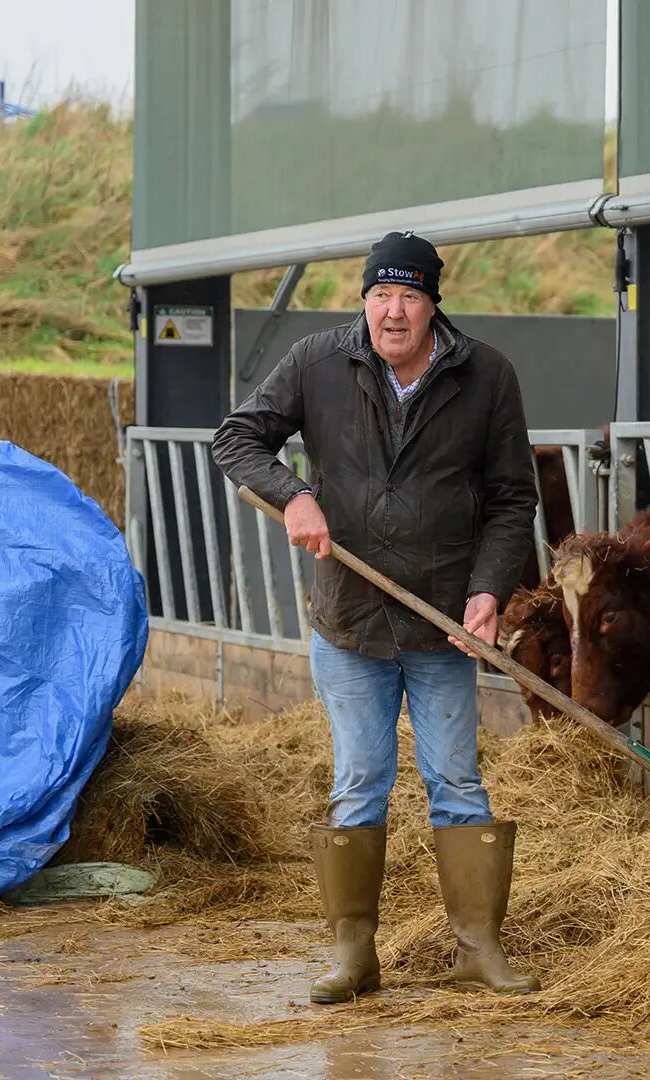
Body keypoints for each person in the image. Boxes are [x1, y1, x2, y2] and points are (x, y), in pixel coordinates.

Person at [211, 231, 540, 1004]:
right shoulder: (320, 363)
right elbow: (237, 438)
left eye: (410, 296)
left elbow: (511, 497)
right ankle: (353, 957)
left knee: (457, 781)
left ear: (433, 303)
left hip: (442, 621)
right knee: (360, 780)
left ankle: (477, 950)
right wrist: (292, 493)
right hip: (352, 618)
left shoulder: (486, 375)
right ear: (364, 300)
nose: (394, 311)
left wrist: (489, 590)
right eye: (381, 295)